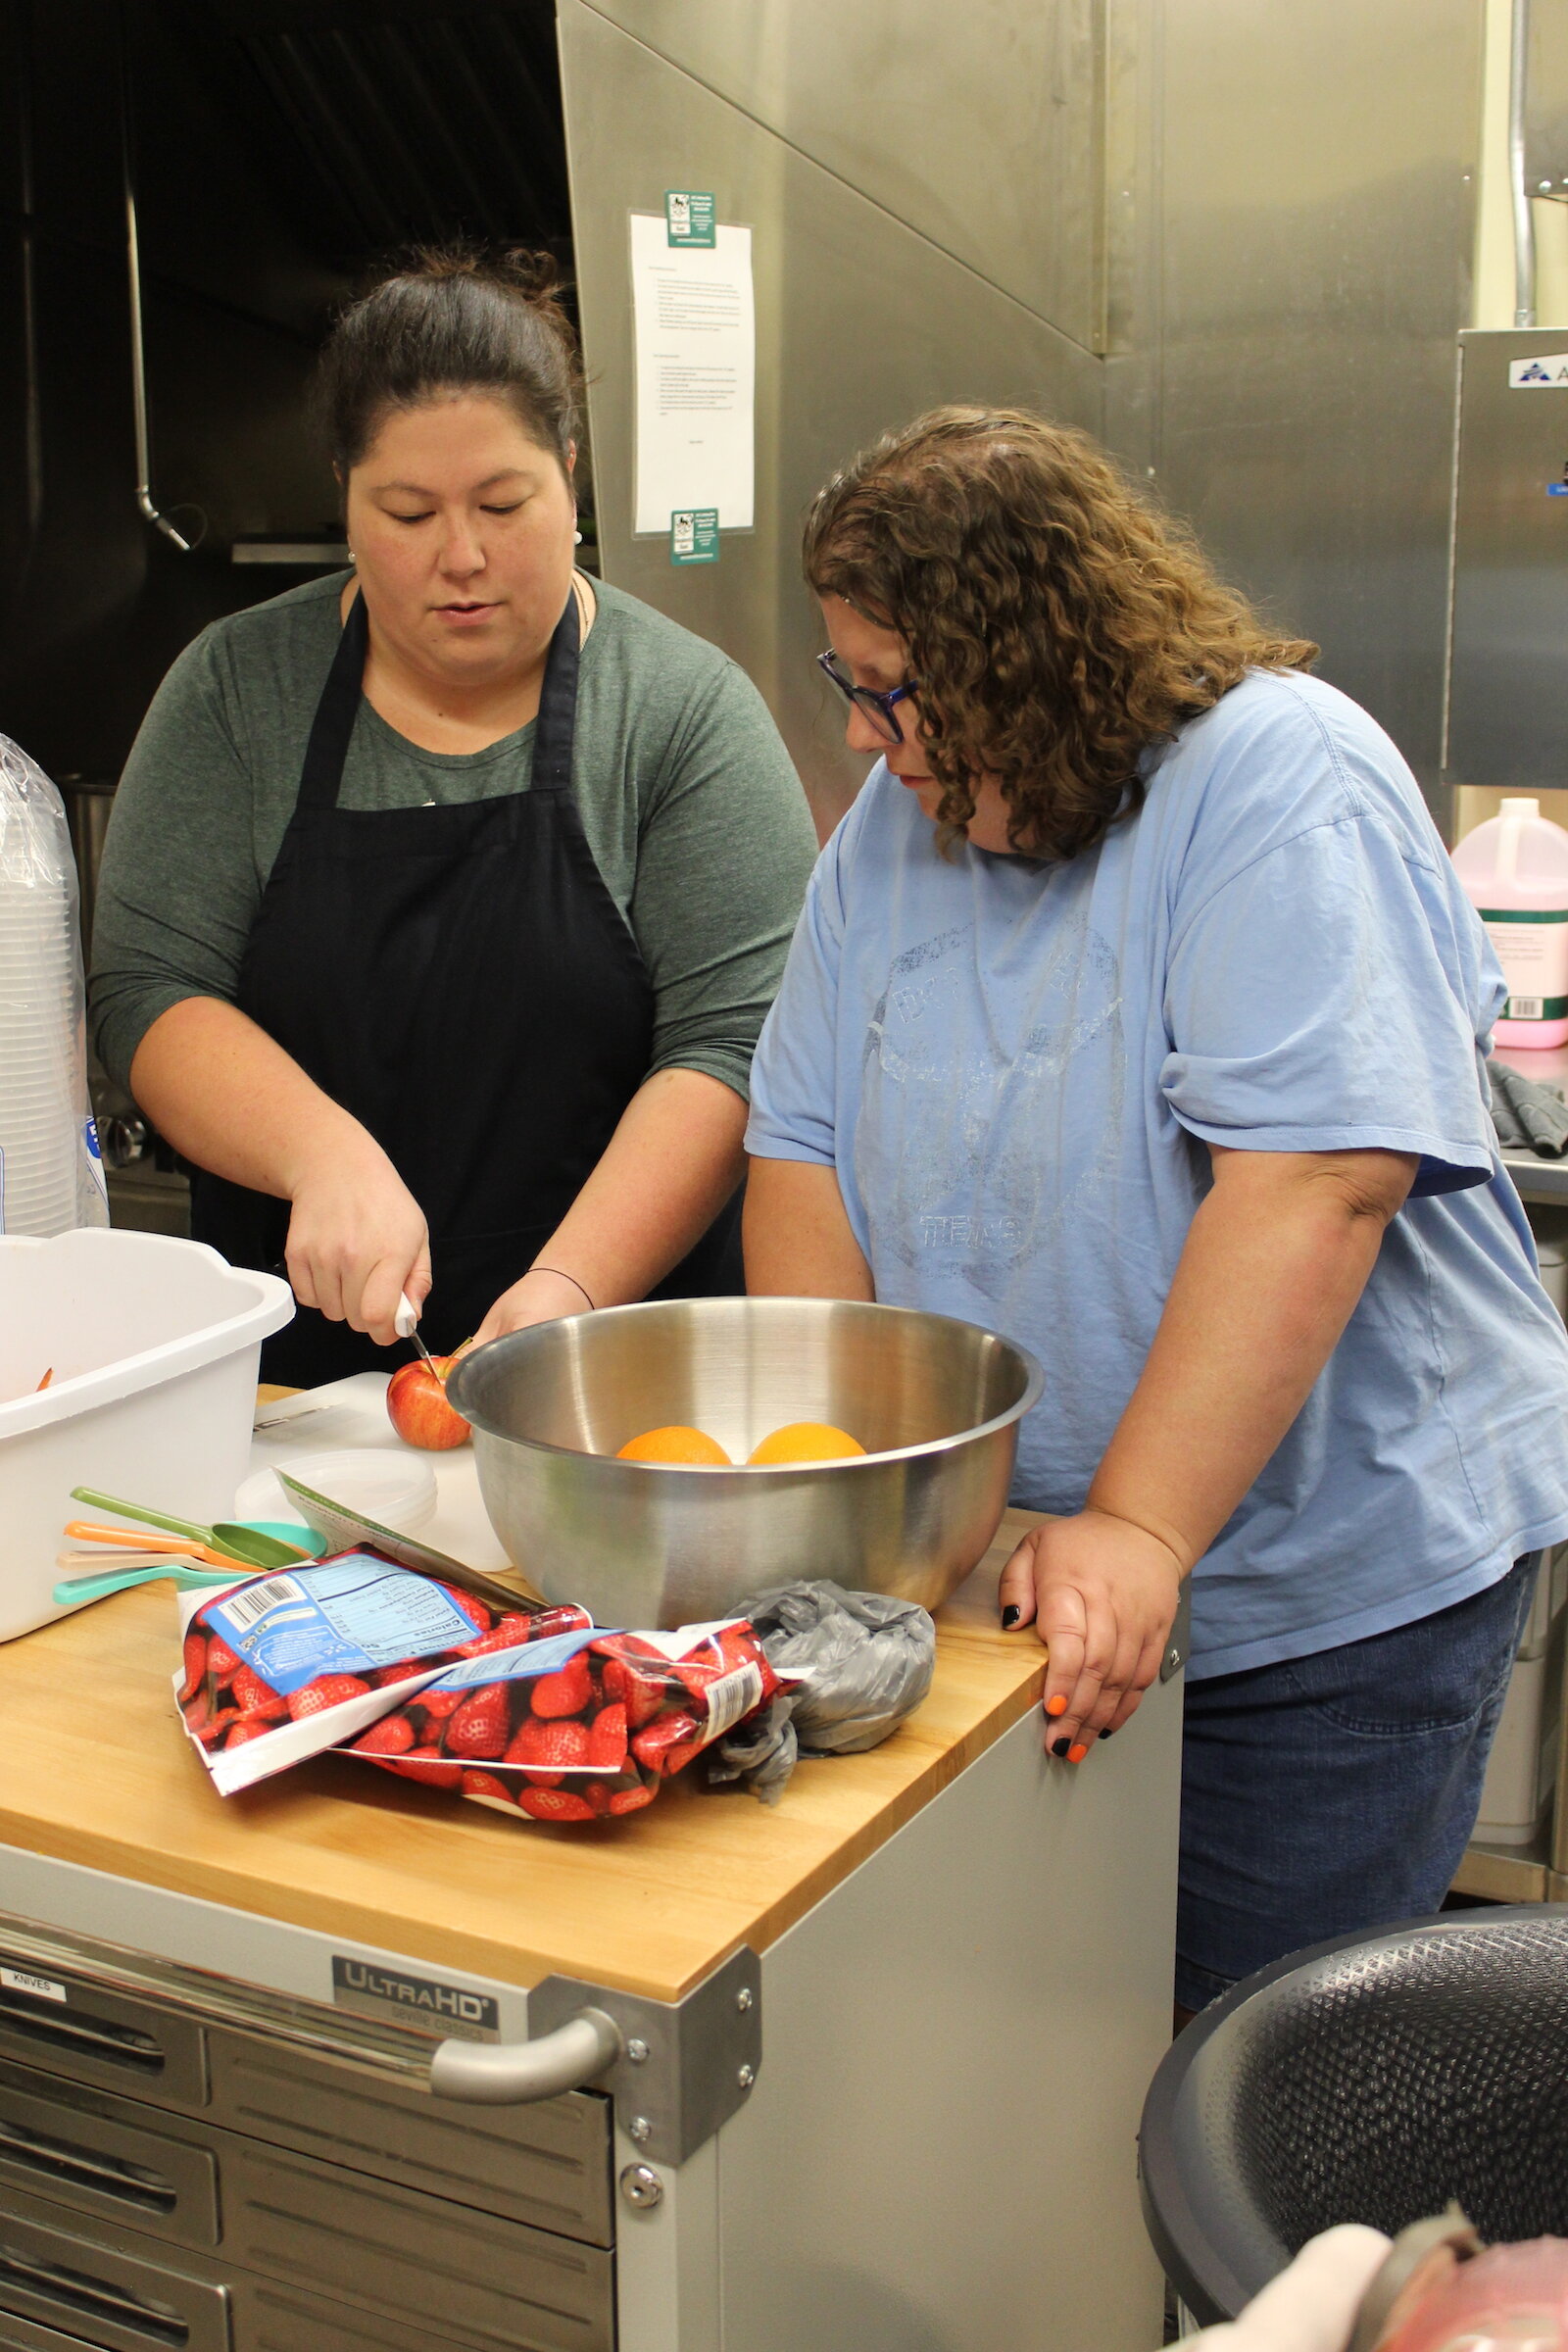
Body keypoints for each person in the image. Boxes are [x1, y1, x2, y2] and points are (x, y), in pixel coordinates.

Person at [742, 407, 1568, 2019]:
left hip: (1315, 1610)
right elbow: (802, 1148)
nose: (862, 732)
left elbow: (1317, 1182)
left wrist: (1140, 1526)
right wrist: (864, 1503)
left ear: (1028, 661)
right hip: (1012, 1588)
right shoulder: (897, 843)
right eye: (855, 686)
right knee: (1050, 2093)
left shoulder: (1278, 779)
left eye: (890, 688)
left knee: (1239, 2085)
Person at [90, 249, 817, 1383]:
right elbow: (148, 991)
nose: (462, 557)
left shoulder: (681, 712)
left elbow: (731, 1047)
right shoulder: (239, 692)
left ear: (570, 474)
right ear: (345, 498)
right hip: (294, 1397)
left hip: (615, 1390)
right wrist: (320, 1151)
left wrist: (569, 1294)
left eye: (502, 503)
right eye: (409, 512)